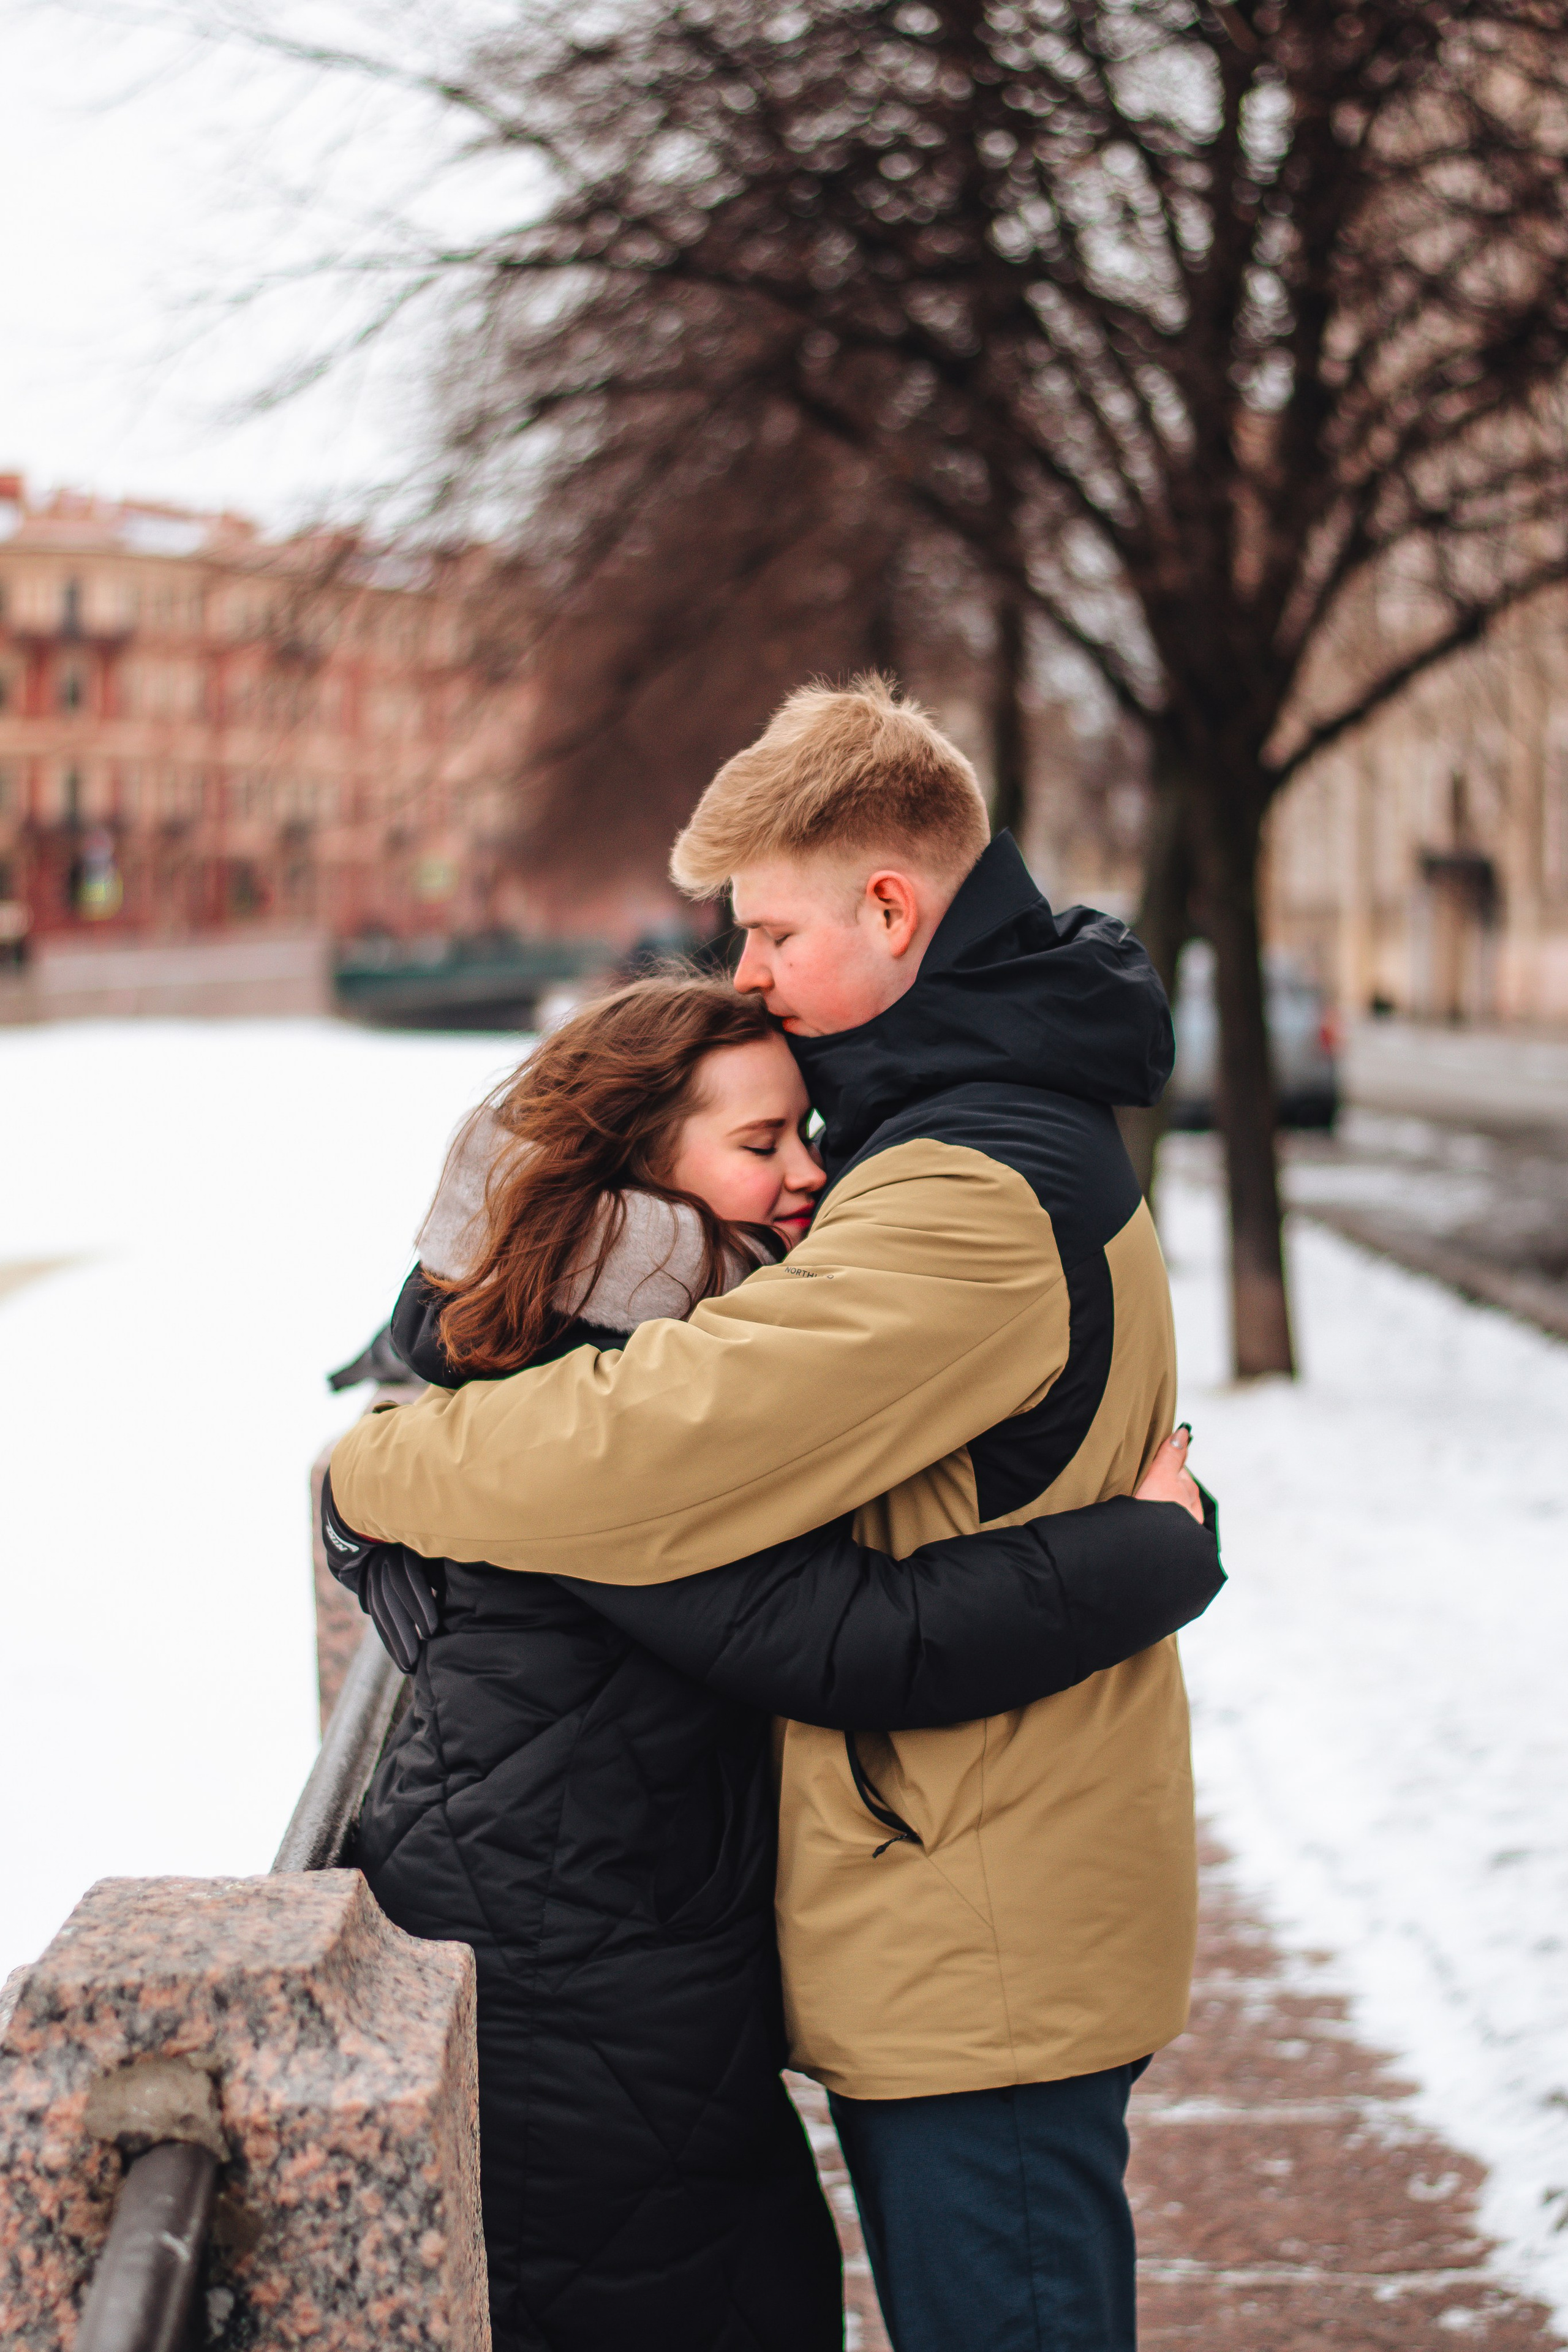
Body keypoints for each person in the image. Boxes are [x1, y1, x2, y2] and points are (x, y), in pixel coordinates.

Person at [327, 676, 1207, 2352]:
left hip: (982, 1945)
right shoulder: (965, 1130)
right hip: (961, 1911)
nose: (743, 969)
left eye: (769, 932)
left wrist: (377, 1466)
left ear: (894, 908)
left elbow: (652, 1447)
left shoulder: (962, 1186)